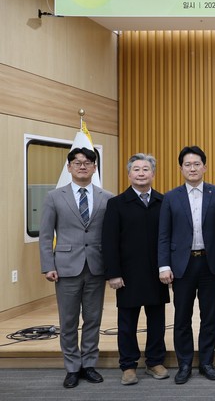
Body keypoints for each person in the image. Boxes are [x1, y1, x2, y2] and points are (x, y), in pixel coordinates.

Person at [39, 147, 114, 388]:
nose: (82, 166)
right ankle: (72, 367)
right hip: (65, 267)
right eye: (77, 162)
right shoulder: (54, 197)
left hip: (96, 267)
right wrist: (47, 265)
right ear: (69, 167)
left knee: (93, 319)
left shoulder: (107, 197)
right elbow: (45, 235)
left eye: (88, 162)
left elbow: (112, 236)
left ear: (94, 167)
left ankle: (89, 364)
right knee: (68, 321)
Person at [158, 145, 215, 385]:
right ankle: (185, 363)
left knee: (209, 317)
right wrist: (164, 265)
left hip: (209, 264)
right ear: (181, 169)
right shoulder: (171, 197)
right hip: (182, 265)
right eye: (187, 164)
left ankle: (206, 362)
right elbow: (164, 234)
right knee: (182, 317)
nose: (192, 168)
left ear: (204, 167)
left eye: (197, 164)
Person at [102, 153, 170, 385]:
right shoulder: (116, 204)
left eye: (146, 169)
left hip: (157, 273)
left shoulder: (163, 202)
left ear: (153, 173)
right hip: (127, 274)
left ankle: (155, 361)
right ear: (129, 174)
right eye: (137, 169)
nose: (141, 173)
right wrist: (113, 273)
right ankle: (128, 365)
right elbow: (109, 241)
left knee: (157, 321)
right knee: (127, 322)